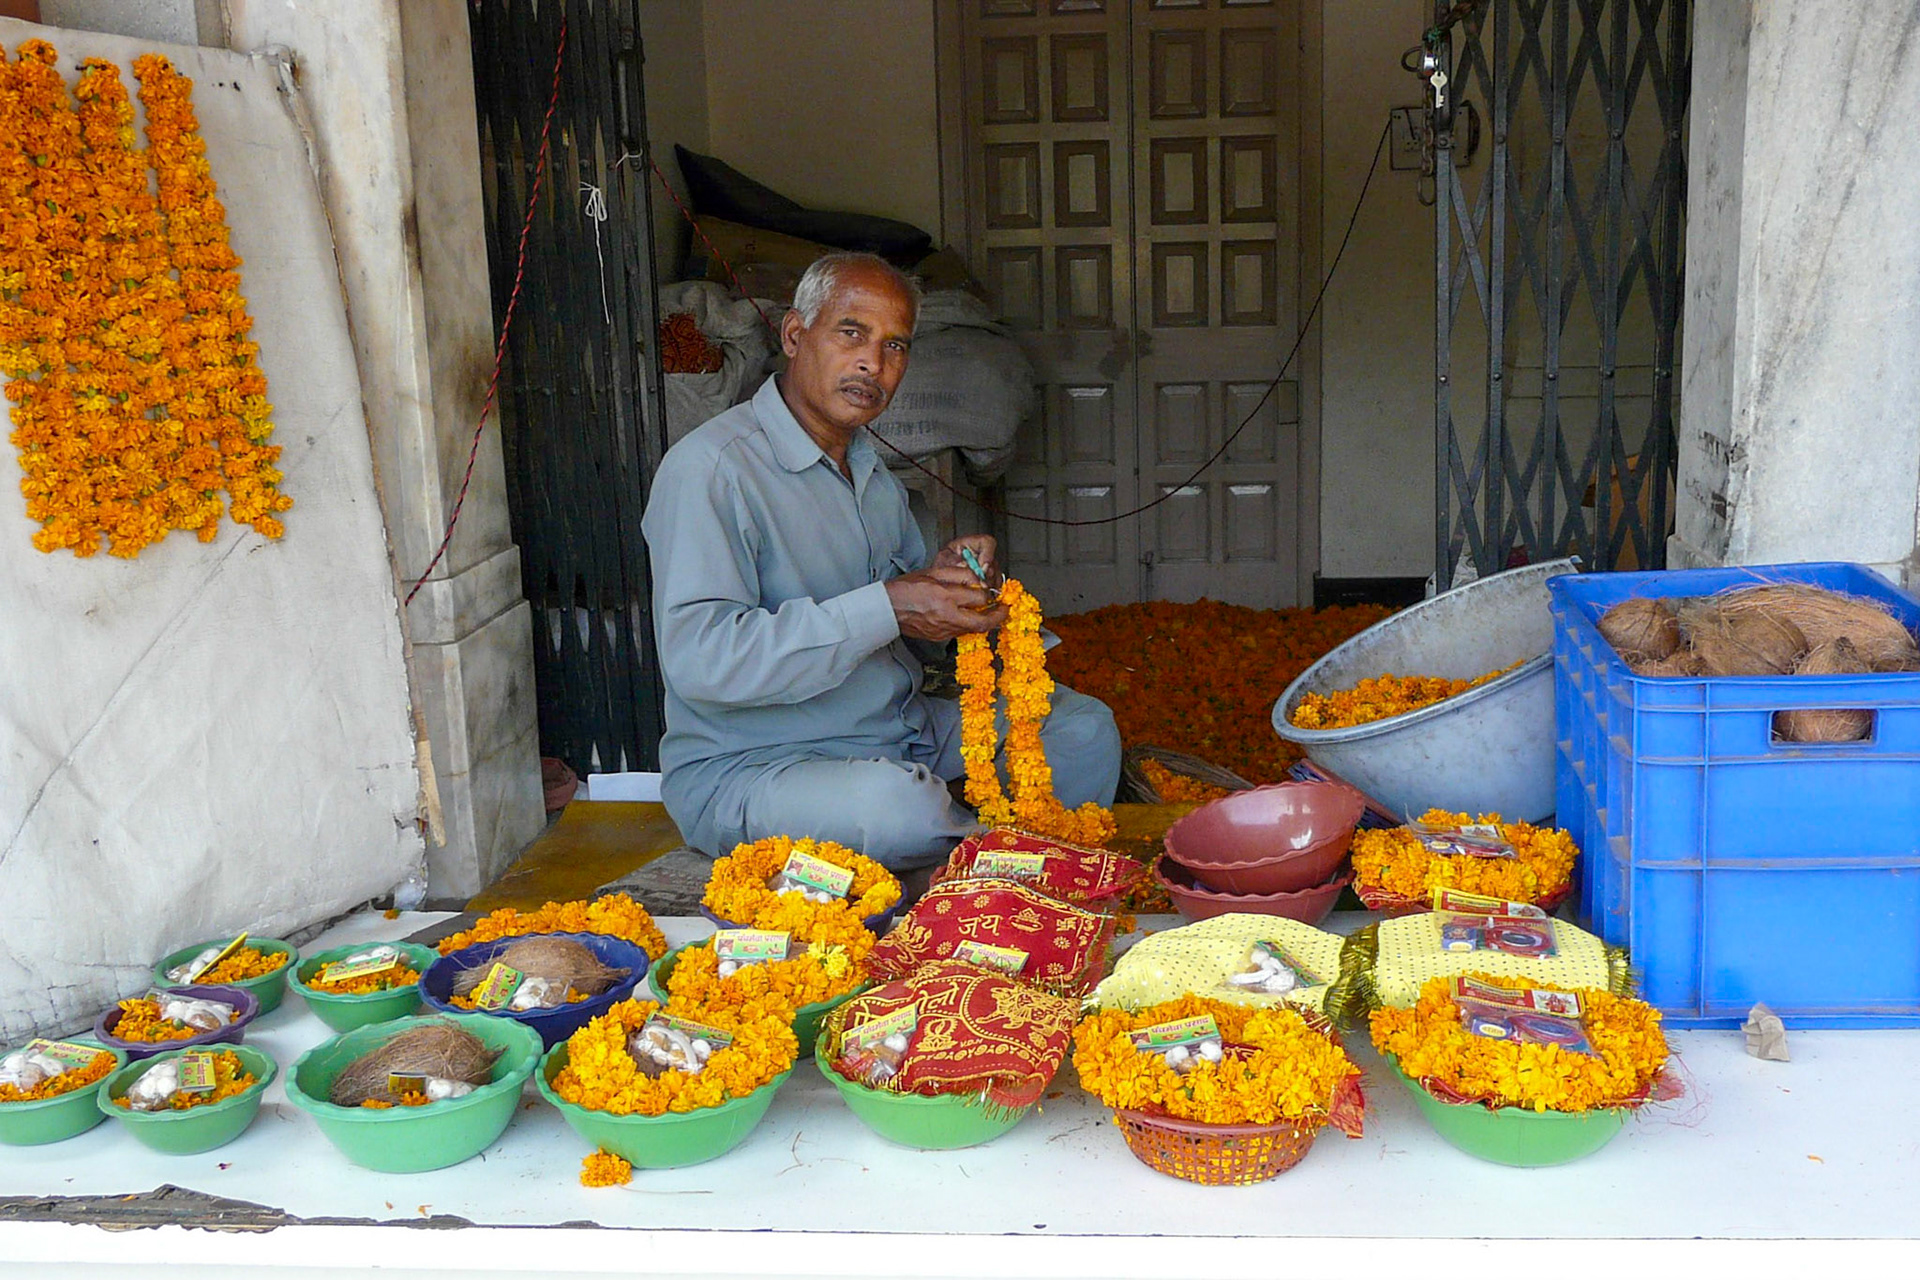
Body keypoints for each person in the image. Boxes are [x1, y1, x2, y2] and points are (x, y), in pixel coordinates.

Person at [641, 251, 1121, 872]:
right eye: (852, 333)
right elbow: (703, 662)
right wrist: (891, 606)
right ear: (794, 334)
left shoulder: (869, 469)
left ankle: (1013, 867)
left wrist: (956, 590)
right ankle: (998, 863)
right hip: (758, 764)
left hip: (897, 731)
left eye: (895, 346)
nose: (873, 362)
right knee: (899, 811)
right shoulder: (710, 470)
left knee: (1082, 731)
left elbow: (913, 626)